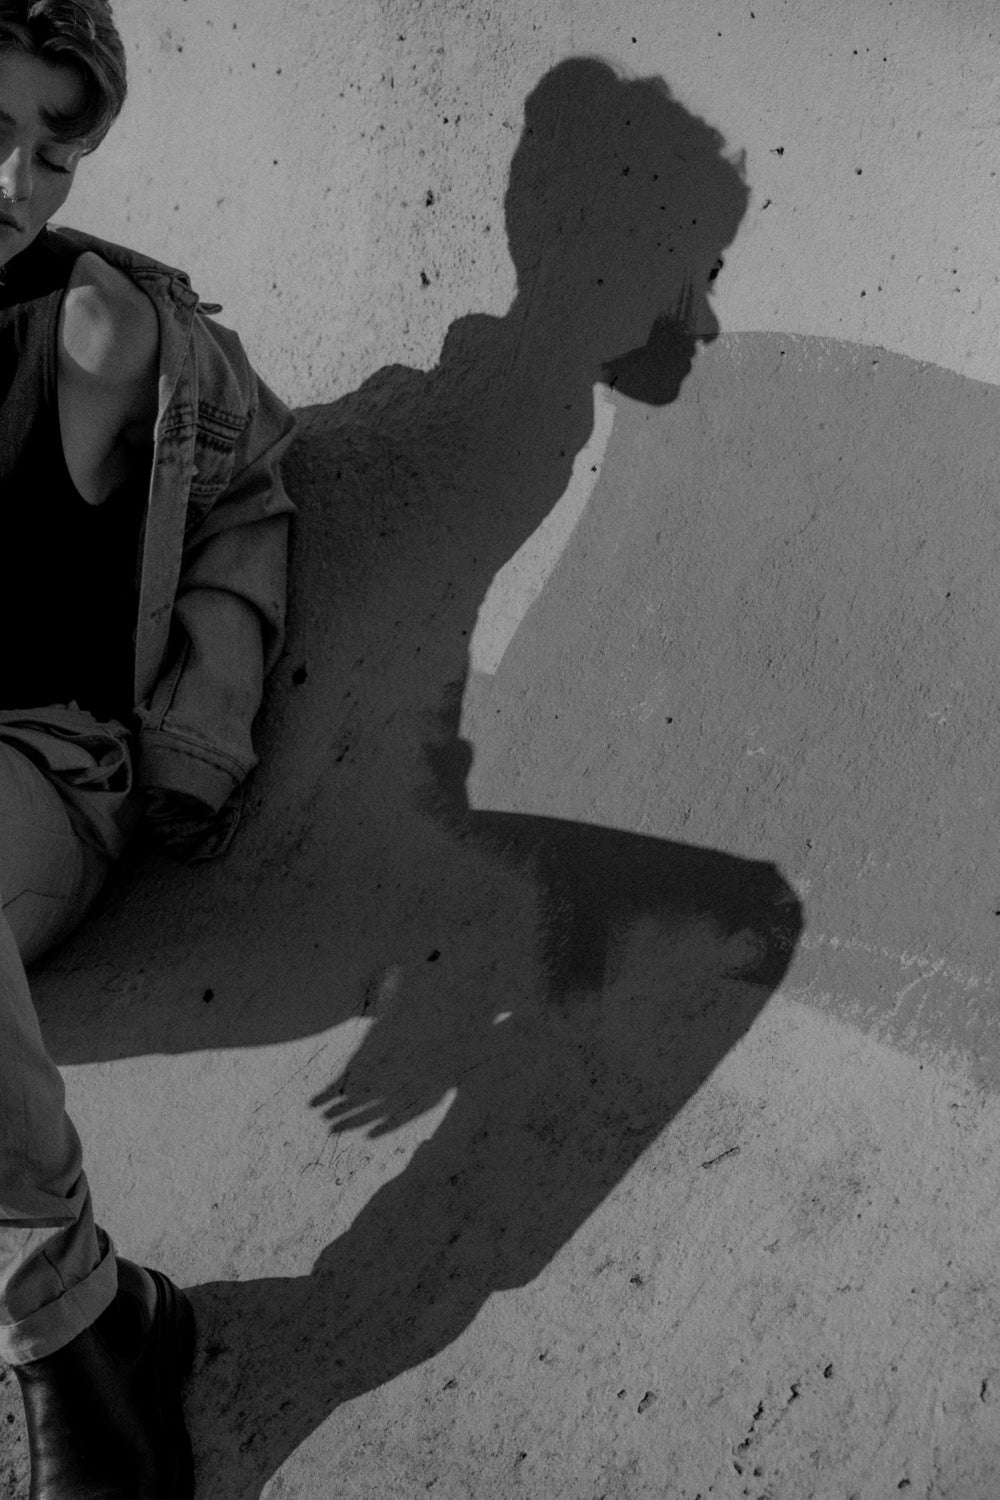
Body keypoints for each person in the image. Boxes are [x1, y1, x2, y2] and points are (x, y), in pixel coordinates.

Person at [0, 2, 296, 1494]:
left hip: (34, 776)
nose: (17, 183)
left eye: (56, 147)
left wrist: (199, 725)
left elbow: (255, 486)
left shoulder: (99, 325)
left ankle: (72, 1319)